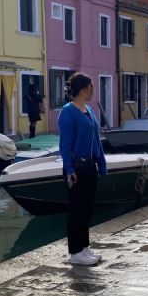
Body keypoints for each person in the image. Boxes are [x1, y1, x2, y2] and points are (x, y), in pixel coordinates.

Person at [58, 73, 107, 266]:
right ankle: (75, 252)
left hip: (90, 166)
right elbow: (65, 144)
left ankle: (84, 247)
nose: (93, 90)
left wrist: (101, 164)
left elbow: (97, 140)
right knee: (76, 210)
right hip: (76, 168)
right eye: (91, 86)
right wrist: (69, 170)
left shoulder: (89, 110)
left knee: (87, 209)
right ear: (83, 89)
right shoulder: (67, 112)